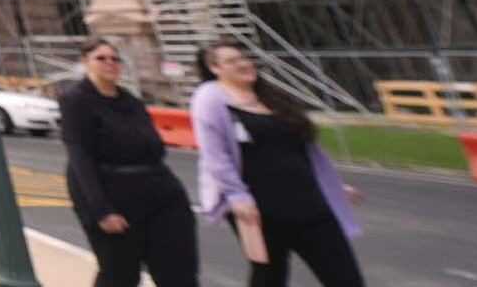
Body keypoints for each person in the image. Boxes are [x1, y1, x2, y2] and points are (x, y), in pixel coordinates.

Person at [191, 40, 365, 287]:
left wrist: (334, 186)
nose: (243, 64)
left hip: (309, 201)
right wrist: (236, 195)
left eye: (243, 58)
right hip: (259, 209)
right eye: (232, 61)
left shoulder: (273, 98)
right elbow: (215, 156)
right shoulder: (210, 100)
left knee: (344, 276)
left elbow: (304, 149)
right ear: (214, 68)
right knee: (270, 276)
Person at [60, 37, 199, 287]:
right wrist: (101, 209)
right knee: (121, 275)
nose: (110, 63)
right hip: (114, 196)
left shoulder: (131, 100)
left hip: (161, 193)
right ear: (85, 62)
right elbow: (80, 154)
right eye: (101, 58)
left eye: (115, 59)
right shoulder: (76, 100)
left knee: (179, 273)